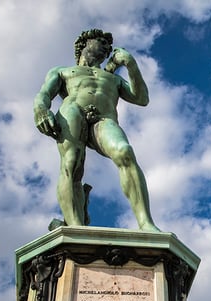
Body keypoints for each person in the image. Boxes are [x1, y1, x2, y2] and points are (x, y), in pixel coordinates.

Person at [34, 28, 160, 231]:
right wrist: (41, 110)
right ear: (85, 43)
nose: (106, 47)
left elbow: (142, 98)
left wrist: (130, 63)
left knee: (124, 152)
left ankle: (146, 223)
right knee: (71, 163)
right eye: (101, 41)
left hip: (104, 118)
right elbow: (44, 94)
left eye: (109, 46)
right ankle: (75, 227)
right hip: (72, 111)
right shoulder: (64, 71)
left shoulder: (113, 78)